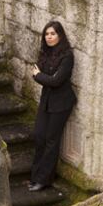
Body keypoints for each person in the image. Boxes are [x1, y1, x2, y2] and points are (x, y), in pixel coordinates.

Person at [29, 20, 77, 192]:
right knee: (39, 136)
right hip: (47, 100)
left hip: (62, 102)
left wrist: (40, 75)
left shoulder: (67, 56)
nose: (49, 37)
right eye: (47, 34)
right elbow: (37, 74)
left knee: (51, 139)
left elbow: (55, 81)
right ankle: (35, 176)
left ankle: (44, 179)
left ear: (60, 35)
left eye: (53, 34)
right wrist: (42, 76)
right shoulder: (45, 53)